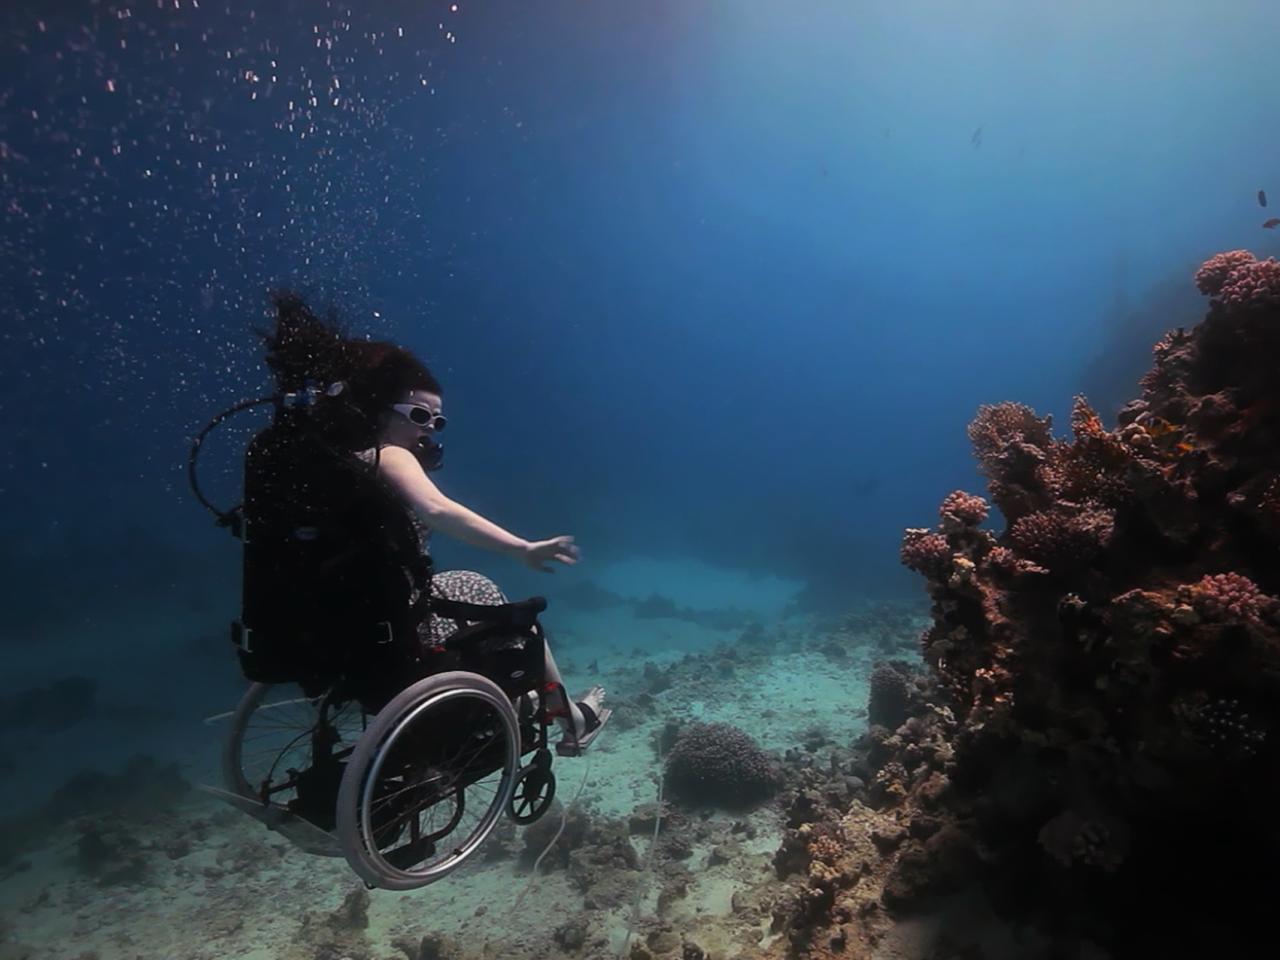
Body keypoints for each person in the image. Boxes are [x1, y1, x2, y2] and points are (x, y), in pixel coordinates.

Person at [259, 292, 608, 750]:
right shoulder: (389, 455)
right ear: (375, 411)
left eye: (438, 422)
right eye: (419, 416)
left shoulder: (331, 460)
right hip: (397, 628)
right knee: (515, 617)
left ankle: (519, 704)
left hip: (337, 626)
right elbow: (438, 510)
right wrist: (521, 548)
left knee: (463, 582)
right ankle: (565, 719)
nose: (429, 429)